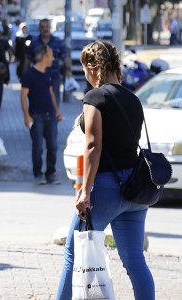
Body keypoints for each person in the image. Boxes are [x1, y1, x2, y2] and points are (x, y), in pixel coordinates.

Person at [56, 41, 154, 299]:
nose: (85, 75)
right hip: (134, 191)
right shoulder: (133, 98)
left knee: (72, 253)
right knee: (135, 261)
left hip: (105, 189)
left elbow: (92, 146)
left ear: (92, 67)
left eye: (84, 68)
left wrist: (84, 191)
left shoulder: (95, 98)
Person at [20, 45, 62, 185]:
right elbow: (23, 96)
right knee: (37, 147)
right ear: (44, 57)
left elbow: (51, 93)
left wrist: (56, 111)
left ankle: (51, 174)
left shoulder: (47, 72)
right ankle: (38, 174)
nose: (53, 58)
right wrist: (27, 116)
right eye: (51, 55)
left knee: (53, 146)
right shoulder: (29, 74)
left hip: (51, 115)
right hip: (36, 116)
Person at [24, 19, 72, 107]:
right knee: (37, 102)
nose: (45, 29)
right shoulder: (34, 42)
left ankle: (54, 118)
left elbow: (65, 56)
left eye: (47, 27)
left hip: (54, 77)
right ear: (39, 28)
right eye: (42, 27)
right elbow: (28, 59)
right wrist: (24, 75)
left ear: (50, 28)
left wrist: (68, 70)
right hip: (37, 78)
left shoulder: (58, 41)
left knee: (54, 102)